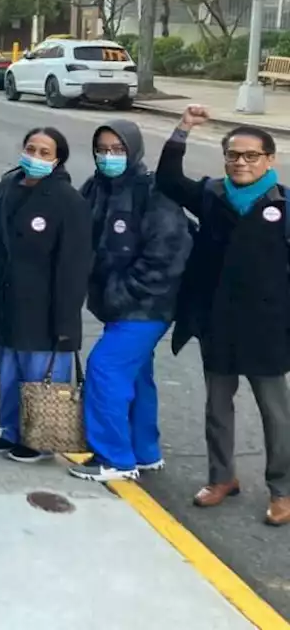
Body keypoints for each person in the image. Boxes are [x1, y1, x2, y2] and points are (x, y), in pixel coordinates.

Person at [157, 105, 290, 525]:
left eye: (251, 155)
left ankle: (282, 489)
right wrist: (182, 129)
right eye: (233, 154)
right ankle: (221, 478)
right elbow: (169, 181)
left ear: (270, 160)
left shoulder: (284, 206)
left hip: (268, 329)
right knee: (217, 407)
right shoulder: (212, 194)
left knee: (275, 413)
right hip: (218, 324)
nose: (241, 162)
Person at [69, 120, 191, 483]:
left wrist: (123, 292)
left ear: (133, 150)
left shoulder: (154, 192)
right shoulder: (95, 188)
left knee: (105, 368)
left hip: (147, 305)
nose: (109, 157)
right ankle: (144, 451)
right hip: (116, 304)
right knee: (137, 375)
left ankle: (114, 457)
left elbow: (167, 254)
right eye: (103, 149)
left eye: (118, 149)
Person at [0, 127, 93, 463]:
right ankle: (10, 431)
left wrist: (66, 321)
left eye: (45, 153)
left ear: (57, 160)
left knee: (40, 375)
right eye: (31, 149)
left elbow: (74, 264)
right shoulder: (6, 187)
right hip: (5, 302)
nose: (35, 157)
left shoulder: (68, 202)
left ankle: (39, 440)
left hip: (44, 307)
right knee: (9, 372)